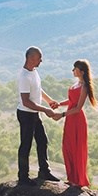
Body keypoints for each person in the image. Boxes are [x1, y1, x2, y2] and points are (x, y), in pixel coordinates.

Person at [14, 46, 62, 185]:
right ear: (30, 58)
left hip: (34, 113)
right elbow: (26, 101)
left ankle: (44, 171)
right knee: (26, 145)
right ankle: (23, 177)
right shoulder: (24, 76)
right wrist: (45, 110)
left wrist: (49, 101)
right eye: (39, 58)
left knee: (42, 141)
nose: (41, 61)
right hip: (26, 114)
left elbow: (38, 89)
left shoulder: (33, 72)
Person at [60, 58, 98, 188]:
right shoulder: (76, 84)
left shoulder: (84, 86)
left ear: (81, 71)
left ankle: (78, 180)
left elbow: (78, 108)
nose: (72, 71)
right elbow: (71, 101)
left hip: (77, 119)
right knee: (67, 146)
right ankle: (71, 178)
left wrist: (62, 114)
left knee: (77, 148)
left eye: (74, 69)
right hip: (70, 118)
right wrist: (59, 104)